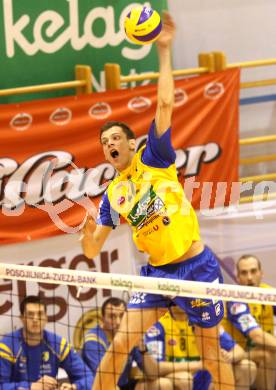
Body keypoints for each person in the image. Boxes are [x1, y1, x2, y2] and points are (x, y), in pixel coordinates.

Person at [81, 11, 234, 390]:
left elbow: (164, 105)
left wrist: (163, 50)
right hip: (157, 275)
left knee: (211, 353)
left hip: (196, 268)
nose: (110, 145)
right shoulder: (113, 195)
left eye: (115, 138)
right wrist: (86, 236)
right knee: (119, 346)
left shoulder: (155, 158)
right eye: (104, 143)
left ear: (132, 144)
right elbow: (91, 250)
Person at [82, 297, 191, 390]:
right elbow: (103, 379)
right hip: (100, 386)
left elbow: (153, 372)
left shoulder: (128, 333)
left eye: (121, 316)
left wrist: (142, 348)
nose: (118, 321)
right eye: (112, 316)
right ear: (102, 319)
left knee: (169, 383)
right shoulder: (93, 341)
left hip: (124, 384)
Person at [145, 305, 256, 390]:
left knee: (247, 367)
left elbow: (239, 351)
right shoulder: (158, 325)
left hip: (204, 375)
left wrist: (225, 357)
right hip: (179, 377)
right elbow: (155, 368)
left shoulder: (204, 320)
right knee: (184, 379)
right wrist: (200, 364)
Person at [0, 295, 93, 390]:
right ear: (22, 318)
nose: (35, 319)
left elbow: (88, 378)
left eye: (40, 314)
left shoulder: (57, 344)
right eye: (30, 315)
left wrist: (74, 387)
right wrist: (30, 387)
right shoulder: (7, 346)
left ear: (46, 318)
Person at [222, 254, 276, 390]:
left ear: (261, 273)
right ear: (238, 277)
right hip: (236, 353)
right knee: (269, 353)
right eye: (244, 273)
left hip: (256, 350)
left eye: (253, 271)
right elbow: (256, 336)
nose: (250, 277)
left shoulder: (269, 293)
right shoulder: (235, 299)